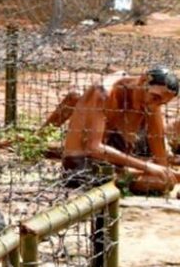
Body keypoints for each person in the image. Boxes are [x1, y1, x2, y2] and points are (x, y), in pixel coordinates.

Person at [41, 67, 179, 193]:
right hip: (81, 167)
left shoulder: (150, 104)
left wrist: (162, 169)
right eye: (155, 97)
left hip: (115, 164)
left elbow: (162, 163)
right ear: (143, 80)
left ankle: (124, 175)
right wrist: (147, 167)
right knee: (162, 181)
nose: (154, 105)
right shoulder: (104, 92)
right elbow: (93, 148)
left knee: (164, 180)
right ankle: (39, 143)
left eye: (161, 103)